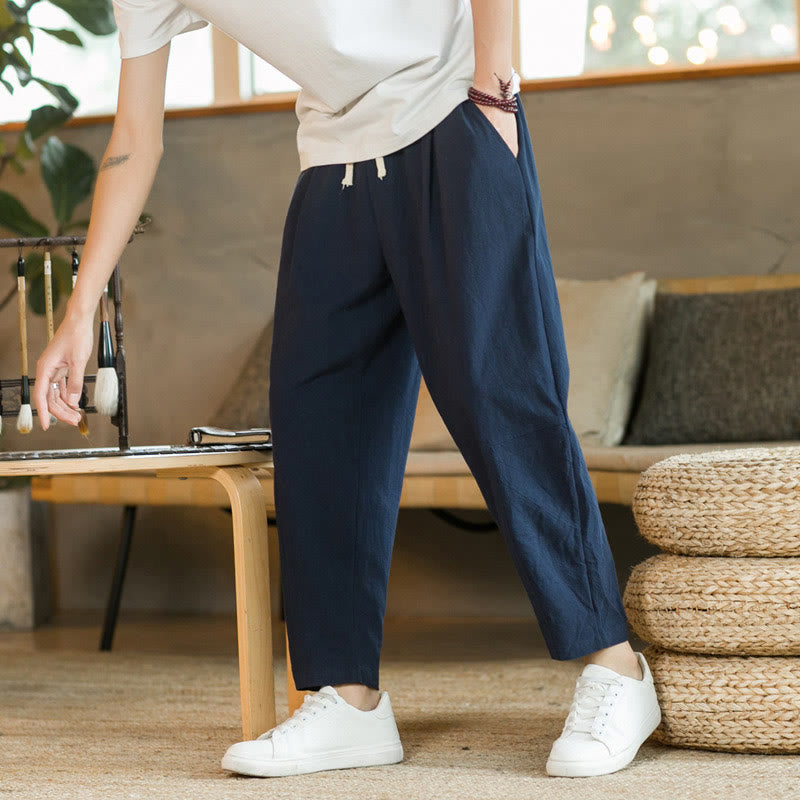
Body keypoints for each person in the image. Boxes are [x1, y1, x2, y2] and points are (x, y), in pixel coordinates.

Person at [34, 0, 662, 780]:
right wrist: (81, 305)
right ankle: (348, 698)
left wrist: (493, 88)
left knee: (500, 397)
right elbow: (135, 138)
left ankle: (616, 670)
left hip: (450, 111)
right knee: (321, 423)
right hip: (333, 160)